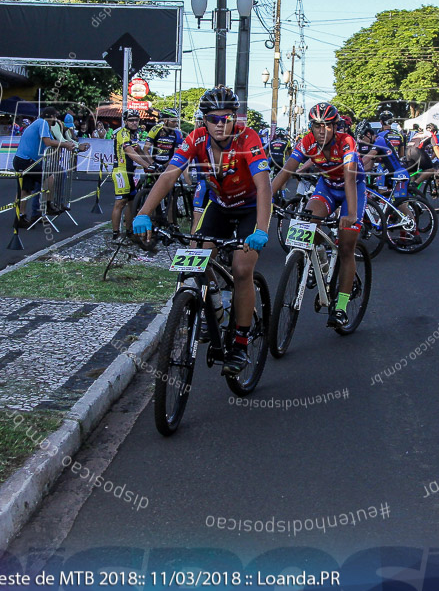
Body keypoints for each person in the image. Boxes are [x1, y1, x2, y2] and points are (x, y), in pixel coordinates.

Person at [131, 87, 271, 375]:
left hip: (248, 208)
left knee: (242, 269)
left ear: (236, 118)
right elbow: (169, 174)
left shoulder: (248, 138)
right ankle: (214, 305)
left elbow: (263, 185)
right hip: (219, 206)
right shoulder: (195, 138)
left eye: (226, 117)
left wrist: (262, 229)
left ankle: (241, 343)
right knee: (196, 259)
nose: (220, 124)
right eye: (213, 118)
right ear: (203, 120)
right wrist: (144, 212)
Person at [271, 102, 364, 329]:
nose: (322, 131)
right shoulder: (307, 142)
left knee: (346, 246)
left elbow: (350, 179)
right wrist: (265, 201)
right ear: (311, 126)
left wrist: (350, 214)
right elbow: (286, 171)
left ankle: (340, 307)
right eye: (317, 125)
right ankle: (318, 262)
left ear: (335, 126)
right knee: (308, 224)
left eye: (328, 126)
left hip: (353, 189)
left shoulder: (346, 142)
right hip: (328, 187)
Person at [109, 110, 152, 241]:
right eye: (131, 120)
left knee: (131, 203)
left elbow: (138, 150)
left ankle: (129, 231)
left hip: (130, 172)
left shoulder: (134, 135)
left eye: (136, 120)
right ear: (126, 121)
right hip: (121, 171)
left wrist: (151, 163)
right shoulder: (122, 133)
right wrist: (146, 165)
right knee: (120, 203)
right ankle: (116, 234)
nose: (134, 123)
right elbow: (129, 151)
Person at [14, 107, 62, 224]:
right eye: (55, 117)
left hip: (25, 160)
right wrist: (66, 145)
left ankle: (21, 216)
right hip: (25, 161)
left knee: (25, 190)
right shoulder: (43, 123)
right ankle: (48, 204)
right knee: (49, 177)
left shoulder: (41, 124)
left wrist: (72, 146)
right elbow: (48, 142)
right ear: (50, 117)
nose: (56, 120)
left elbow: (53, 143)